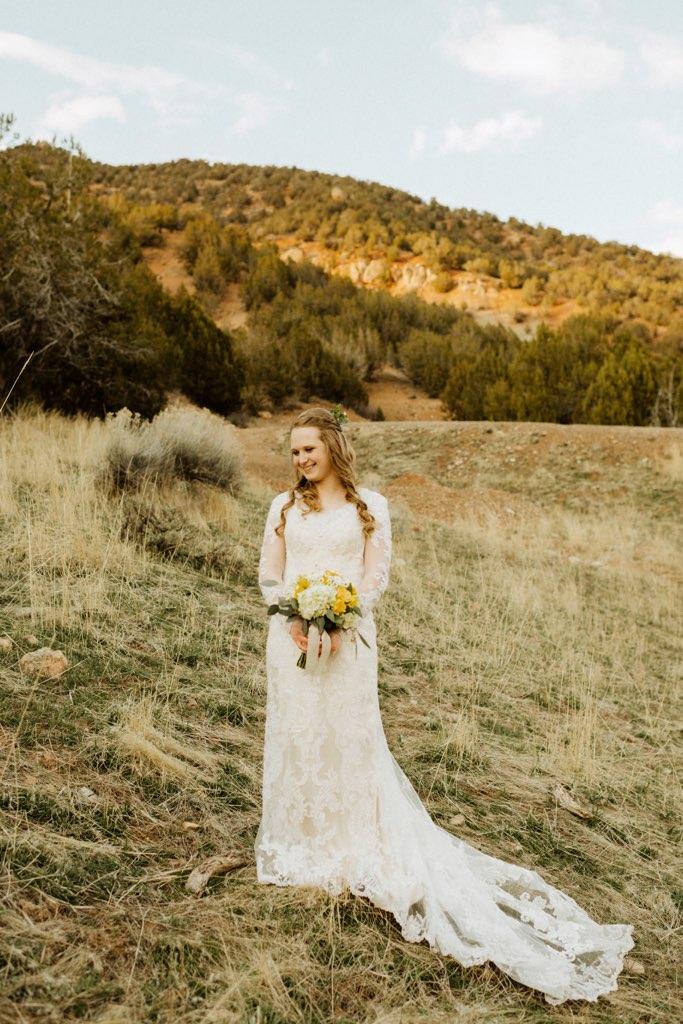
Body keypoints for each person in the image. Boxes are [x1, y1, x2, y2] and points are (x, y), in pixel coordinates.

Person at [255, 406, 634, 1006]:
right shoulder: (280, 508)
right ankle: (304, 841)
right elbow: (270, 576)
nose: (301, 460)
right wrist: (297, 616)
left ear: (333, 447)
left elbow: (376, 579)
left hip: (350, 640)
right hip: (292, 644)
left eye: (310, 449)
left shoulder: (369, 507)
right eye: (294, 451)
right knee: (301, 733)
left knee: (349, 739)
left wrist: (337, 611)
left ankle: (353, 842)